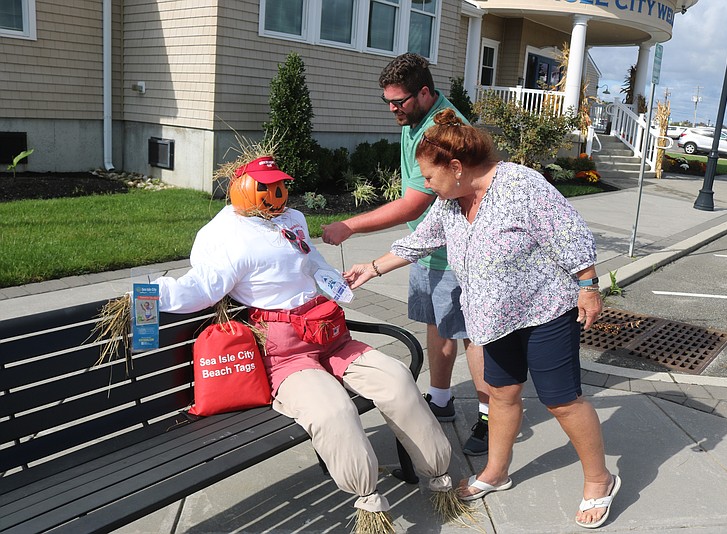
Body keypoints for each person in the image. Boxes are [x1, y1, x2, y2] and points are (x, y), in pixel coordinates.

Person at [344, 109, 622, 530]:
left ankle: (600, 480)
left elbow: (571, 235)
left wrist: (588, 286)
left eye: (430, 177)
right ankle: (497, 471)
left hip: (544, 309)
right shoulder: (450, 201)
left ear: (456, 168)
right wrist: (373, 266)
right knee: (502, 393)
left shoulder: (520, 186)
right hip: (494, 317)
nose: (426, 185)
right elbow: (422, 240)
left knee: (561, 400)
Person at [154, 155, 456, 533]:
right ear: (242, 187)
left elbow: (311, 261)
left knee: (396, 378)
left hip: (329, 334)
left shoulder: (291, 220)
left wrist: (333, 281)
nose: (276, 194)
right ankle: (369, 502)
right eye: (264, 187)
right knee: (333, 409)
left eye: (279, 185)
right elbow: (202, 288)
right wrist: (150, 296)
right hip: (284, 352)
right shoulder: (225, 236)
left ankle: (438, 476)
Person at [321, 53, 491, 455]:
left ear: (426, 92)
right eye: (388, 102)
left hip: (457, 252)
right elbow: (422, 216)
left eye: (400, 101)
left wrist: (350, 225)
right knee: (438, 325)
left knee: (473, 337)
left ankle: (489, 416)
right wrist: (375, 265)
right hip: (429, 247)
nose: (393, 109)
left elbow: (415, 204)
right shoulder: (415, 119)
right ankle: (441, 398)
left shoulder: (439, 129)